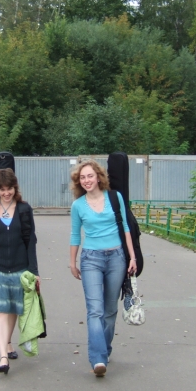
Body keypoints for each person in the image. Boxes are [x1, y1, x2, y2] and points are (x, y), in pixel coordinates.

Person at [69, 159, 137, 377]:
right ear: (79, 182)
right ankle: (98, 358)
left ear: (98, 177)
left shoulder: (115, 197)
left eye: (90, 176)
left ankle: (105, 349)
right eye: (82, 177)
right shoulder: (78, 206)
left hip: (117, 257)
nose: (86, 180)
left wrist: (132, 257)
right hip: (91, 259)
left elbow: (126, 228)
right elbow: (75, 235)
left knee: (110, 310)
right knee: (95, 310)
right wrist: (72, 262)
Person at [0, 168, 39, 375]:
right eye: (2, 189)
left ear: (15, 188)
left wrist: (34, 271)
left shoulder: (24, 209)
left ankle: (8, 342)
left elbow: (30, 241)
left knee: (13, 308)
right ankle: (3, 356)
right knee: (0, 310)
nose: (6, 193)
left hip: (19, 267)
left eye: (9, 188)